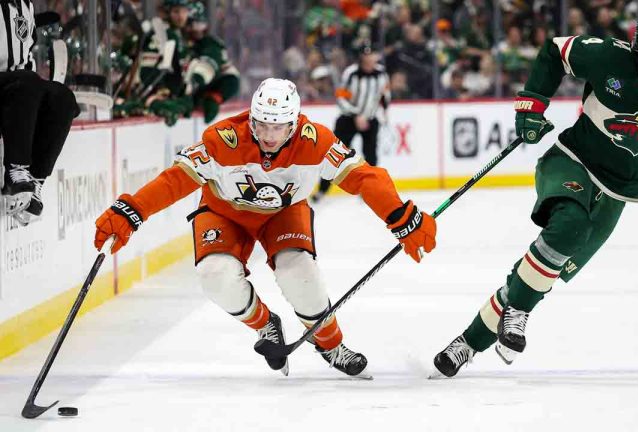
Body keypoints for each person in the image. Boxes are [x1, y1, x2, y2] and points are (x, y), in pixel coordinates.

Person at [431, 7, 638, 378]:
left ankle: (466, 344)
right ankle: (515, 314)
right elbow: (556, 50)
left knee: (540, 276)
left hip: (619, 191)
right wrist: (532, 103)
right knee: (570, 227)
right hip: (573, 161)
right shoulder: (611, 56)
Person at [93, 78, 436, 378]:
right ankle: (265, 325)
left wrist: (400, 216)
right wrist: (132, 211)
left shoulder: (314, 140)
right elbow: (174, 181)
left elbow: (364, 178)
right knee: (215, 276)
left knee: (299, 273)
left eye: (278, 127)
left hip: (283, 213)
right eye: (262, 125)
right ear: (252, 118)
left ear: (294, 122)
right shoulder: (222, 139)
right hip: (225, 211)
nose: (269, 135)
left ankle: (331, 345)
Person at [0, 1, 80, 225]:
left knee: (62, 97)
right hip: (12, 87)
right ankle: (16, 170)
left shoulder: (25, 5)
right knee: (27, 82)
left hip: (20, 89)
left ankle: (35, 181)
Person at [311, 43, 390, 203]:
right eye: (366, 57)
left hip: (370, 119)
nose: (369, 60)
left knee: (371, 157)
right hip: (348, 119)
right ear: (361, 58)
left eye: (372, 56)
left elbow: (384, 94)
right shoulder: (351, 74)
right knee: (334, 155)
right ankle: (322, 190)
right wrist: (356, 114)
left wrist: (384, 111)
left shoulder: (381, 74)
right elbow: (340, 96)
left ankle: (369, 191)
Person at [182, 1, 240, 123]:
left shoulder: (211, 44)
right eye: (193, 24)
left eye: (199, 23)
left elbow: (232, 79)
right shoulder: (176, 41)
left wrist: (215, 97)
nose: (197, 28)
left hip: (199, 91)